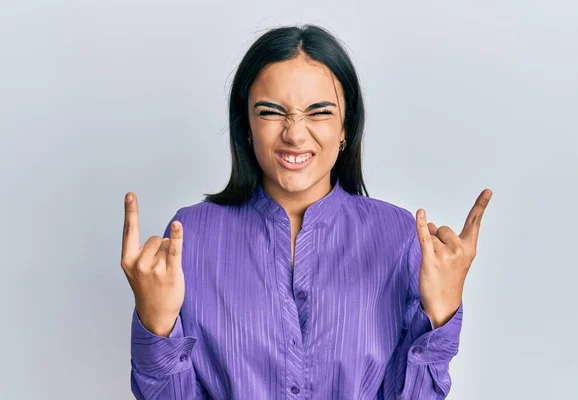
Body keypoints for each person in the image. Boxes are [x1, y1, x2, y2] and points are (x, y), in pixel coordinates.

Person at [121, 24, 492, 400]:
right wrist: (157, 323)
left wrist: (441, 315)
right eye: (271, 112)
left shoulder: (400, 237)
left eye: (319, 112)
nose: (295, 134)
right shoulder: (191, 236)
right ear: (246, 126)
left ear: (345, 126)